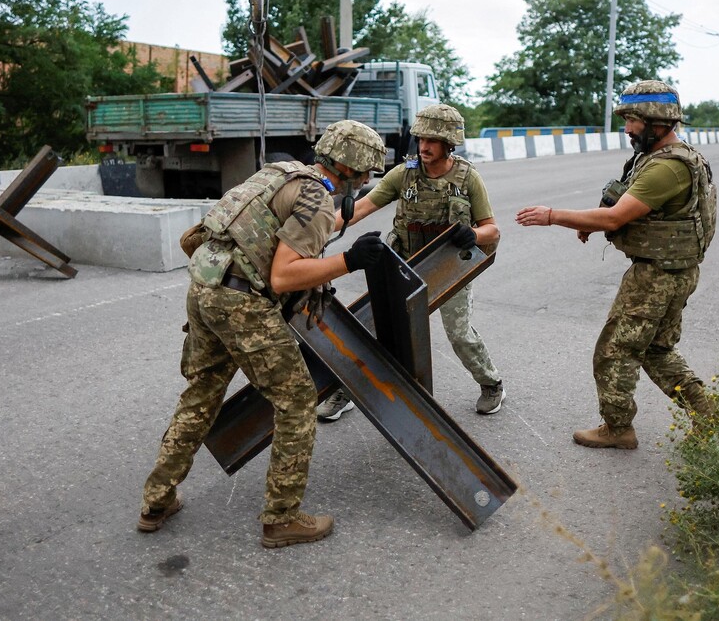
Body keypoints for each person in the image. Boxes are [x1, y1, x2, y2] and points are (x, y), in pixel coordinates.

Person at [138, 120, 389, 548]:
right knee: (295, 403)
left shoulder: (279, 173)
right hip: (241, 302)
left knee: (201, 394)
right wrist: (351, 259)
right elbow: (284, 275)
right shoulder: (317, 197)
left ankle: (156, 501)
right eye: (366, 175)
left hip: (206, 287)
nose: (366, 184)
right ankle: (281, 518)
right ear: (352, 170)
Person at [515, 80, 717, 450]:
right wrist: (587, 224)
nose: (626, 128)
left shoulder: (668, 168)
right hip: (675, 271)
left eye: (633, 121)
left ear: (658, 123)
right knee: (656, 350)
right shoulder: (662, 157)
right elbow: (619, 204)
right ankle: (708, 414)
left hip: (656, 276)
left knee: (615, 351)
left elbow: (616, 217)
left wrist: (553, 215)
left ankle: (617, 428)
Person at [316, 103, 505, 420]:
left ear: (449, 144)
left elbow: (492, 229)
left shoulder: (468, 178)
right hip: (405, 265)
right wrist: (317, 229)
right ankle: (344, 392)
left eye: (432, 141)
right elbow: (361, 209)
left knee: (460, 334)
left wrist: (474, 234)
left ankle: (491, 383)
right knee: (372, 331)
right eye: (421, 139)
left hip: (448, 267)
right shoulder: (403, 174)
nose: (424, 146)